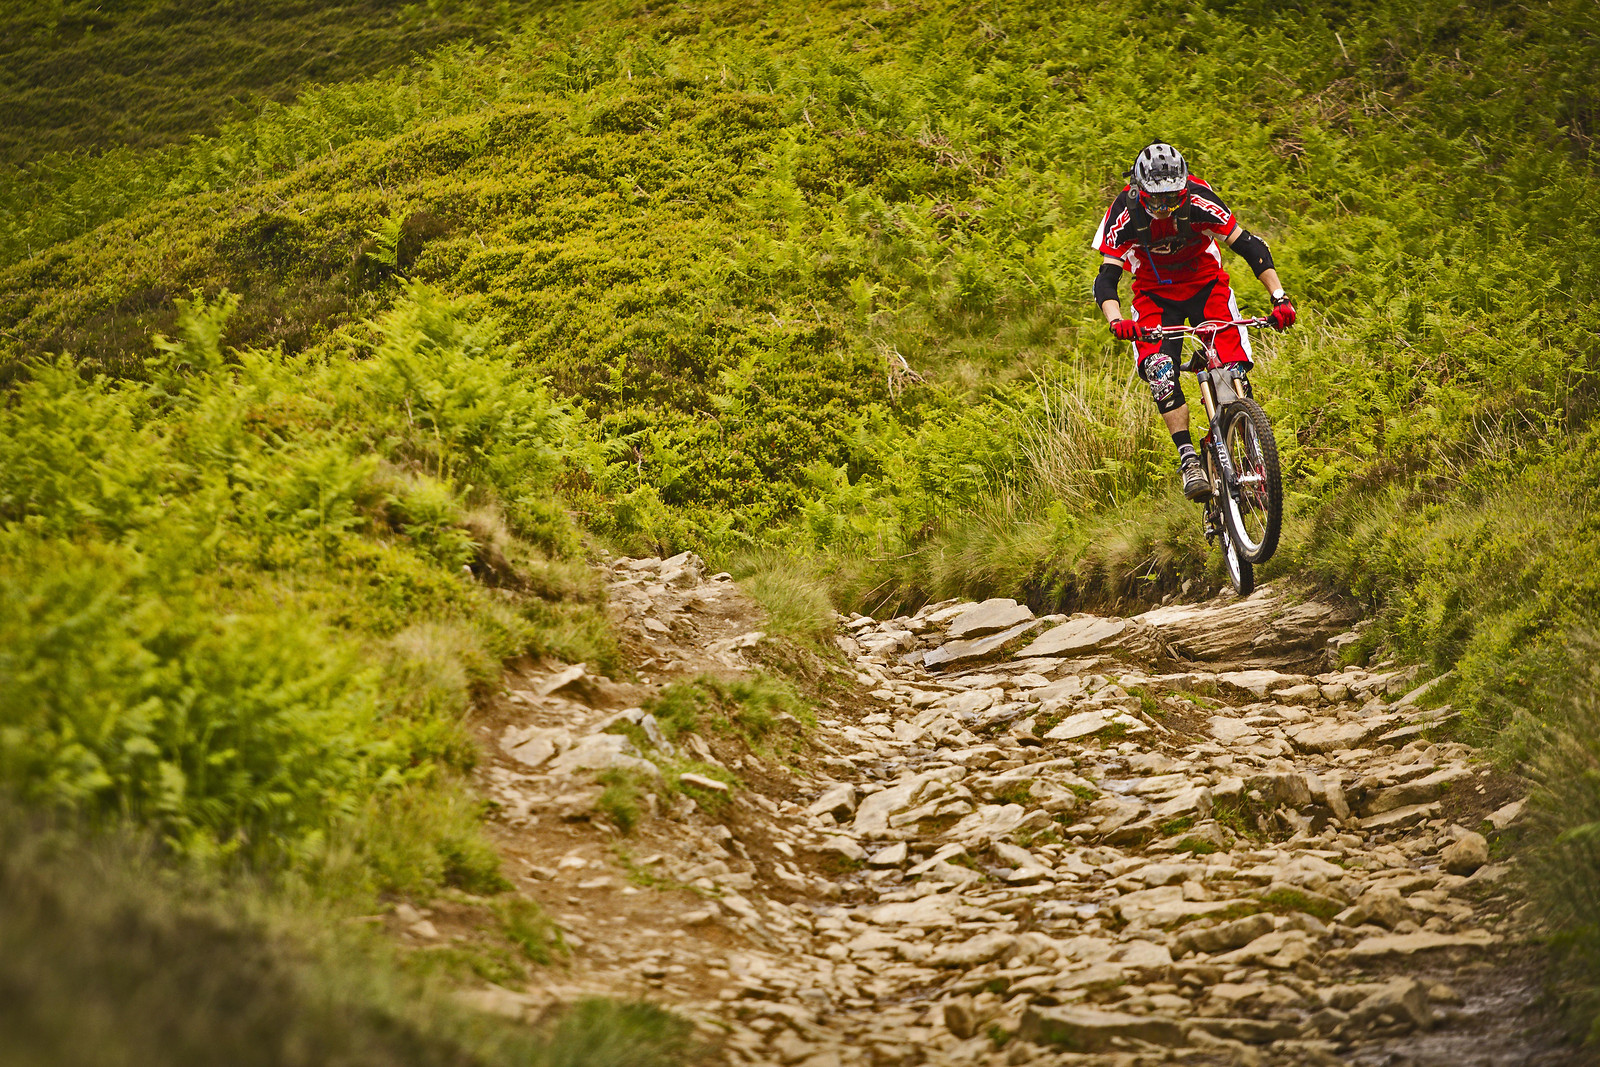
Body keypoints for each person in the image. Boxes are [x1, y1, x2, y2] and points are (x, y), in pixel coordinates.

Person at [1091, 142, 1296, 501]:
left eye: (1172, 199)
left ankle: (1250, 448)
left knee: (1230, 367)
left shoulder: (1201, 199)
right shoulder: (1123, 211)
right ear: (1140, 190)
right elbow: (1107, 277)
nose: (1164, 208)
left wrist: (1279, 297)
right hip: (1154, 294)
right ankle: (1188, 458)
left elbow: (1250, 246)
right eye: (1155, 201)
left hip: (1206, 285)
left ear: (1183, 188)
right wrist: (1116, 319)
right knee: (1160, 371)